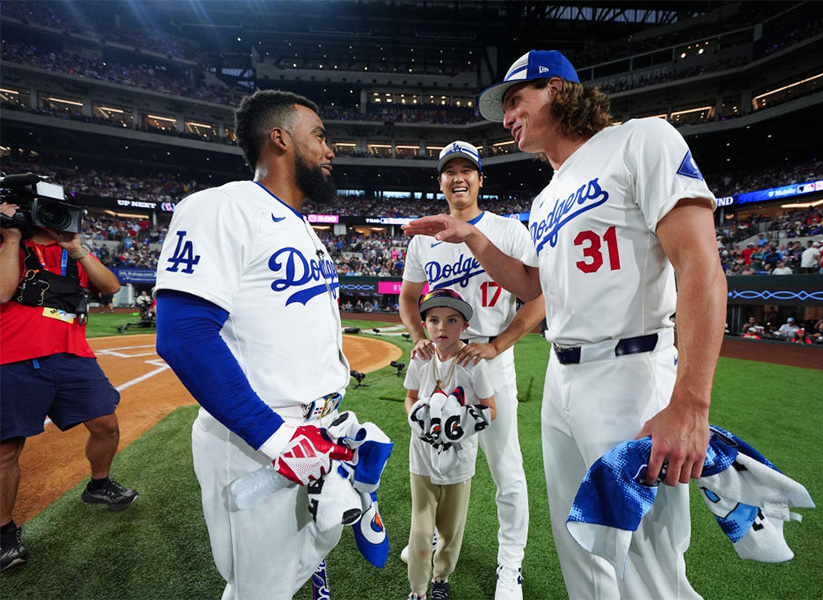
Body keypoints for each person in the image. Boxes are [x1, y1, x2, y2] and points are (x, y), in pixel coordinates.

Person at [403, 49, 727, 599]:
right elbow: (536, 287)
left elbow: (700, 265)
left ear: (555, 88)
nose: (506, 118)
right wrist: (475, 240)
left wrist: (691, 402)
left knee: (645, 561)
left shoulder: (641, 139)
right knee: (580, 544)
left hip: (631, 369)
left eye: (515, 100)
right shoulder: (549, 193)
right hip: (564, 375)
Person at [154, 89, 355, 600]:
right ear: (280, 138)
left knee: (288, 570)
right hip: (256, 437)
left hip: (311, 431)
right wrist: (275, 436)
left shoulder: (302, 228)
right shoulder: (220, 207)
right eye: (320, 136)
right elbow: (183, 333)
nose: (331, 150)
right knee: (258, 590)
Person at [399, 141, 544, 600]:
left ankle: (510, 567)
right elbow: (408, 298)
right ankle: (428, 543)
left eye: (467, 170)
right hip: (439, 371)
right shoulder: (425, 238)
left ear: (481, 179)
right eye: (449, 172)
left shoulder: (507, 229)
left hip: (490, 366)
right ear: (440, 182)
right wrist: (416, 334)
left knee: (507, 471)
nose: (458, 178)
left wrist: (498, 344)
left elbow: (539, 297)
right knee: (433, 465)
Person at [0, 204, 138, 572]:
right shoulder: (6, 243)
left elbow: (111, 286)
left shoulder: (70, 253)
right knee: (7, 449)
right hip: (11, 354)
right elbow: (2, 293)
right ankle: (3, 532)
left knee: (106, 424)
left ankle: (99, 484)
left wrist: (76, 247)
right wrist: (12, 236)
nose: (52, 219)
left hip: (73, 353)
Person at [404, 289, 497, 600]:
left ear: (464, 326)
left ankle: (441, 578)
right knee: (420, 532)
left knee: (450, 531)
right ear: (425, 324)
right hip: (422, 456)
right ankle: (417, 591)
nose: (442, 327)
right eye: (434, 320)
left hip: (459, 460)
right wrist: (419, 417)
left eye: (451, 320)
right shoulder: (421, 358)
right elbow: (411, 398)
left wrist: (458, 425)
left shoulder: (473, 362)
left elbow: (490, 408)